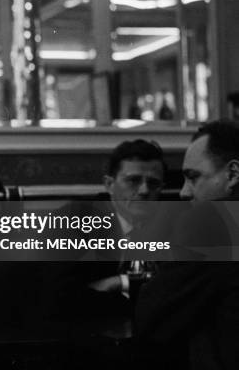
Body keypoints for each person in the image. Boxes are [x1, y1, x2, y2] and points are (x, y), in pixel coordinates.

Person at [135, 119, 239, 369]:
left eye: (193, 177)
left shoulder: (212, 226)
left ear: (233, 174)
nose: (183, 192)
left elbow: (151, 322)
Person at [41, 139, 167, 318]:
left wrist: (120, 282)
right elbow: (61, 298)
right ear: (109, 184)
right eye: (134, 181)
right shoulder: (74, 221)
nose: (145, 190)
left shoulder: (172, 221)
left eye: (154, 184)